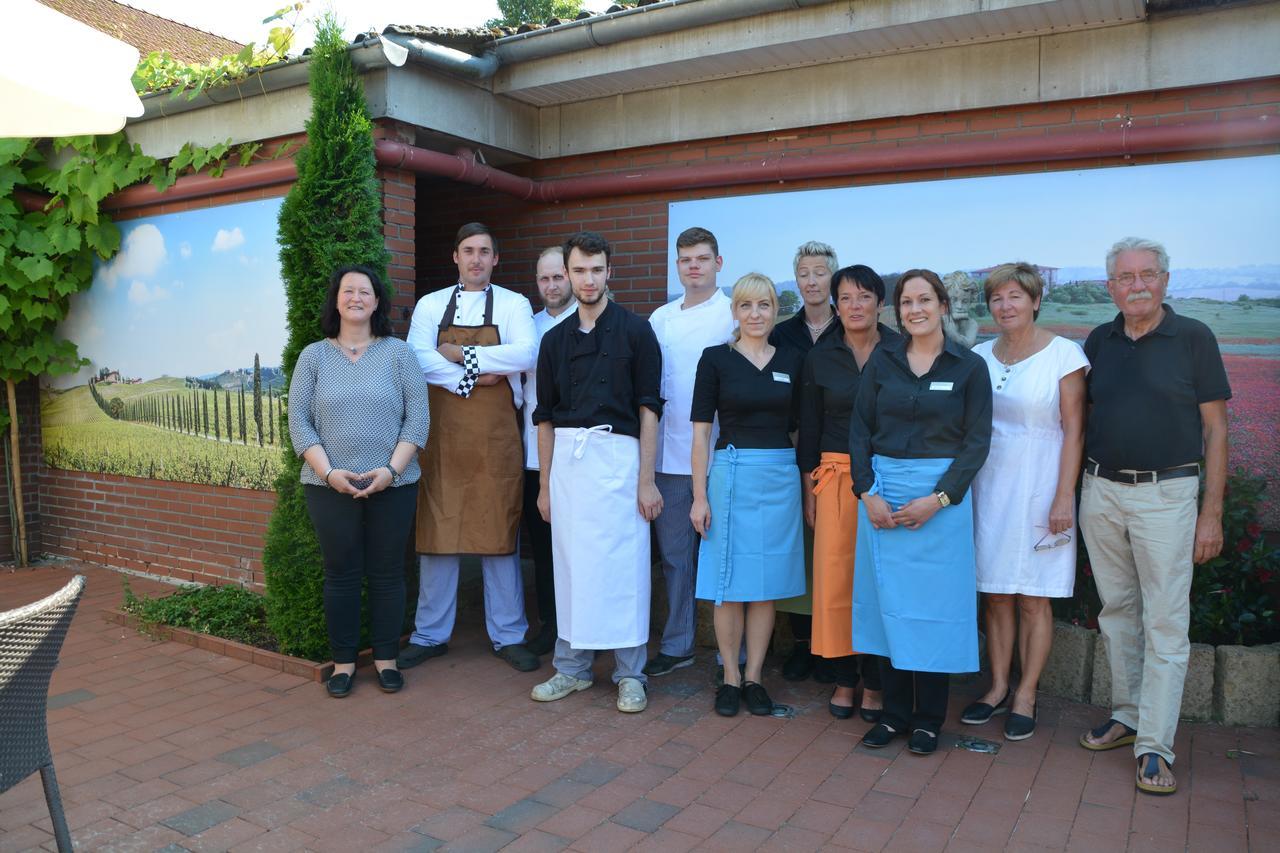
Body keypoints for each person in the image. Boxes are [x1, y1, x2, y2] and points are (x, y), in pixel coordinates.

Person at [1077, 237, 1229, 796]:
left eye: (1146, 274)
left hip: (1167, 496)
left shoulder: (1193, 338)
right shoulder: (1101, 338)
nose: (1136, 285)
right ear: (1110, 285)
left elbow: (1216, 430)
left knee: (1166, 621)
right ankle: (1128, 715)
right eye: (1124, 277)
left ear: (1165, 279)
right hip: (1101, 491)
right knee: (1118, 611)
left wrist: (1210, 512)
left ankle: (1155, 746)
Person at [851, 269, 992, 755]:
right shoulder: (881, 362)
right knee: (887, 606)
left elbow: (977, 444)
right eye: (906, 302)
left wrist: (939, 498)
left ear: (942, 305)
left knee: (933, 610)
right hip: (883, 498)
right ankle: (893, 715)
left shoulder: (969, 368)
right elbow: (859, 429)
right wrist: (866, 491)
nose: (915, 309)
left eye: (924, 300)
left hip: (941, 501)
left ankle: (929, 719)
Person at [530, 231, 664, 713]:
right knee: (572, 569)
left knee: (625, 569)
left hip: (621, 461)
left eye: (596, 269)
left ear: (610, 272)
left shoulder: (636, 331)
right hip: (569, 463)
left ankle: (631, 673)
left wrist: (646, 480)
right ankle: (572, 668)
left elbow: (650, 409)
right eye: (579, 270)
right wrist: (545, 485)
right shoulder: (552, 341)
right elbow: (543, 416)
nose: (588, 279)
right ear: (566, 275)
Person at [402, 223, 540, 673]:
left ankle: (509, 635)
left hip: (496, 442)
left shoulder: (516, 303)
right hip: (442, 442)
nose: (476, 258)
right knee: (438, 535)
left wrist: (459, 356)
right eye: (468, 251)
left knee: (500, 532)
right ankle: (430, 635)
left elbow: (525, 355)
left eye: (484, 251)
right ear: (455, 257)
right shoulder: (430, 304)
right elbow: (415, 359)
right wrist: (477, 379)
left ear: (495, 259)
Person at [288, 265, 430, 698]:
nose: (355, 297)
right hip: (327, 485)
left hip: (395, 484)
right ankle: (344, 664)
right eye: (347, 291)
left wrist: (390, 471)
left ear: (376, 301)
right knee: (342, 575)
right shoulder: (313, 356)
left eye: (364, 291)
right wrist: (330, 473)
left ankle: (386, 659)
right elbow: (299, 423)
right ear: (336, 300)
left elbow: (418, 419)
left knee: (388, 573)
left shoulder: (398, 354)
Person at [963, 263, 1088, 741]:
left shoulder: (1064, 355)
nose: (1006, 305)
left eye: (1016, 296)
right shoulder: (978, 356)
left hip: (1042, 487)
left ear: (1035, 300)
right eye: (997, 298)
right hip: (989, 488)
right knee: (995, 593)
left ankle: (1026, 693)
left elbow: (1075, 430)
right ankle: (996, 687)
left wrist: (1063, 497)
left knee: (1035, 598)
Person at [691, 273, 805, 716]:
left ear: (776, 311)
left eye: (764, 306)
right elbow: (701, 435)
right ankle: (730, 678)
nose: (755, 314)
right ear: (734, 311)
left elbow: (798, 429)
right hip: (730, 478)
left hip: (779, 481)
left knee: (764, 586)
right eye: (746, 306)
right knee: (728, 586)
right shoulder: (715, 359)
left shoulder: (794, 360)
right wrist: (700, 496)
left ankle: (755, 676)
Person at [797, 265, 900, 722]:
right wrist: (809, 493)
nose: (855, 306)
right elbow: (809, 427)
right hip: (834, 478)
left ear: (880, 302)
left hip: (890, 480)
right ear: (834, 305)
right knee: (835, 583)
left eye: (864, 297)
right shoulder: (821, 356)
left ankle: (877, 683)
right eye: (846, 298)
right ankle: (843, 678)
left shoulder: (902, 350)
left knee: (880, 584)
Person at [645, 226, 736, 677]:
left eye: (702, 258)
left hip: (720, 457)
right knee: (676, 557)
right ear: (677, 266)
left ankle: (729, 656)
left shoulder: (732, 314)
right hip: (669, 456)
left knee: (724, 558)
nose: (693, 266)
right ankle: (678, 643)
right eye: (685, 259)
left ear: (718, 263)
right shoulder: (660, 319)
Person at [770, 241, 841, 682]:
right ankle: (801, 644)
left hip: (836, 455)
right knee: (798, 550)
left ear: (832, 277)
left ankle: (832, 645)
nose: (811, 281)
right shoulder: (782, 334)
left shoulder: (850, 328)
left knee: (831, 554)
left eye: (819, 272)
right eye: (803, 273)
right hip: (790, 452)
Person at [520, 246, 576, 656]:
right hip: (533, 455)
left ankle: (579, 628)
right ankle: (550, 626)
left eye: (559, 277)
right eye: (545, 278)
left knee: (578, 548)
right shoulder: (528, 327)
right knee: (542, 548)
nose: (552, 285)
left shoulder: (590, 322)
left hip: (578, 456)